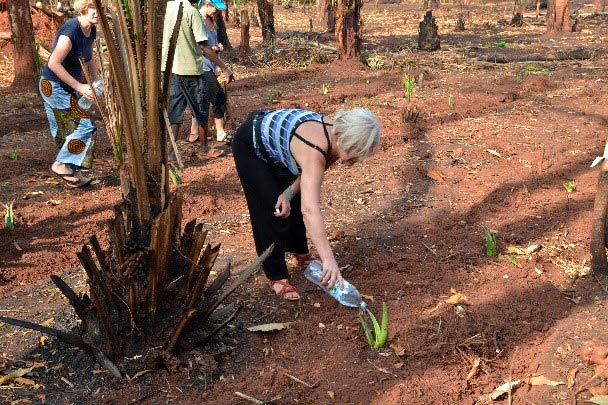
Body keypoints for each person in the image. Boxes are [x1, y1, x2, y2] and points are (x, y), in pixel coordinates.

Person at [232, 108, 381, 301]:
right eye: (357, 152)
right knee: (271, 210)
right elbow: (310, 210)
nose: (358, 159)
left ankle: (299, 250)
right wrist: (328, 260)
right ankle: (276, 275)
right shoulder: (315, 148)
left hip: (278, 146)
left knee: (291, 201)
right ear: (347, 140)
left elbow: (306, 179)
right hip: (250, 145)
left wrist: (287, 193)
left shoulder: (335, 137)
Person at [39, 0, 101, 188]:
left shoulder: (91, 30)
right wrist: (80, 87)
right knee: (85, 126)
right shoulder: (70, 31)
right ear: (83, 8)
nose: (97, 12)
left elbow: (89, 57)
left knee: (67, 130)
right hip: (53, 86)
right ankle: (60, 165)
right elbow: (53, 64)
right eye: (93, 8)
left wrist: (96, 83)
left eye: (100, 8)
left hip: (67, 86)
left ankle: (74, 173)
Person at [161, 0, 234, 160]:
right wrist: (224, 67)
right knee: (201, 109)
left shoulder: (167, 7)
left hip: (170, 68)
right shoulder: (191, 12)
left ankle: (171, 152)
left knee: (175, 110)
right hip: (191, 69)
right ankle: (204, 148)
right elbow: (204, 46)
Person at [189, 0, 231, 148]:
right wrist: (214, 49)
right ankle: (220, 132)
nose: (217, 11)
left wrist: (218, 62)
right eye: (215, 8)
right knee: (217, 96)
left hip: (211, 65)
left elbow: (214, 46)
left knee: (204, 98)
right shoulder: (196, 20)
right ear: (207, 4)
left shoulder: (211, 21)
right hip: (200, 66)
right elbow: (200, 46)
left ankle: (195, 132)